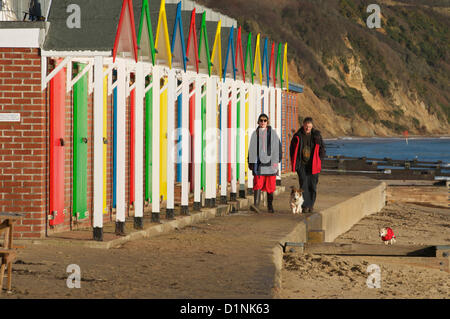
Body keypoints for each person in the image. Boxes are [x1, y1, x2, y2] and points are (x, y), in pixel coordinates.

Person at [289, 117, 325, 213]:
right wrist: (295, 163)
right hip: (301, 165)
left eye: (309, 127)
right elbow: (292, 149)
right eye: (306, 126)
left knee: (312, 186)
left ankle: (311, 205)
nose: (307, 128)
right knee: (303, 185)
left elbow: (322, 148)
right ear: (303, 125)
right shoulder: (297, 136)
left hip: (313, 165)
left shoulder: (317, 136)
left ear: (312, 126)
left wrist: (320, 159)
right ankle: (305, 206)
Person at [248, 113, 282, 213]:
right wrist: (250, 162)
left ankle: (270, 206)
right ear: (258, 122)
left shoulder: (273, 133)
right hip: (258, 163)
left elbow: (278, 149)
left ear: (267, 122)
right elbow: (251, 149)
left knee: (270, 185)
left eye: (265, 120)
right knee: (258, 183)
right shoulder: (255, 134)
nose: (263, 122)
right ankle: (256, 205)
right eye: (261, 120)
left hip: (271, 163)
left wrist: (276, 161)